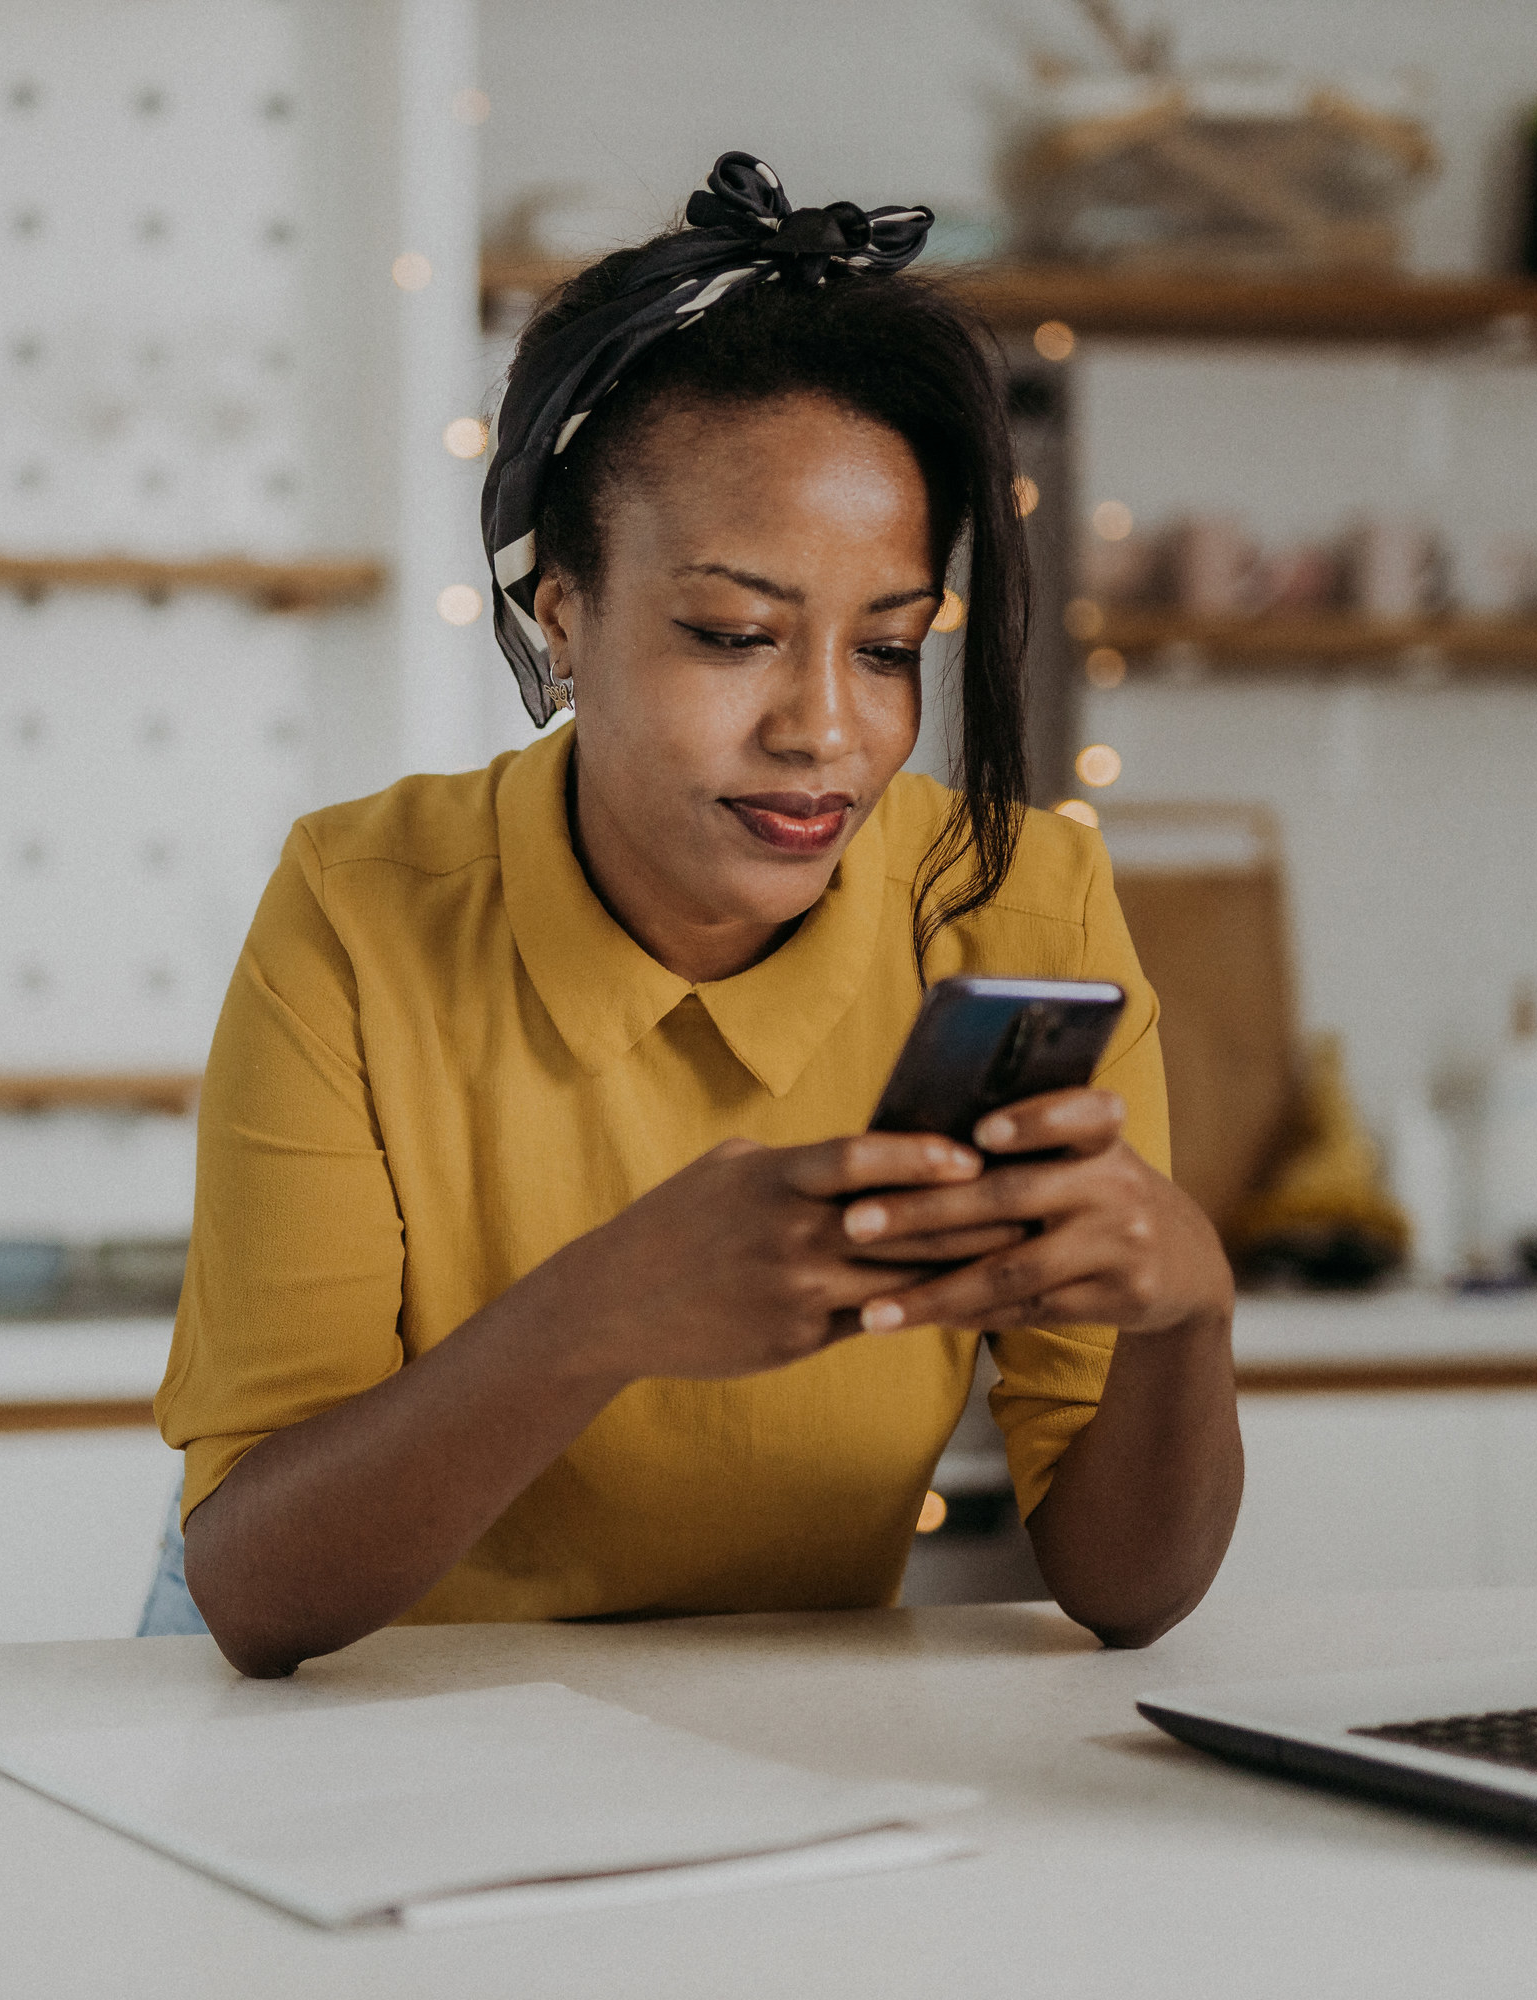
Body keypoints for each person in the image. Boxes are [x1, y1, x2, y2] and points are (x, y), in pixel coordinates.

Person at [146, 153, 1240, 1678]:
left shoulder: (1013, 900)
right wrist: (600, 1316)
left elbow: (1129, 1592)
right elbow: (255, 1591)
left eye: (886, 647)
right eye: (734, 635)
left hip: (778, 1757)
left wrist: (1186, 1317)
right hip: (368, 1733)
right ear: (564, 618)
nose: (827, 732)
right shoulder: (358, 909)